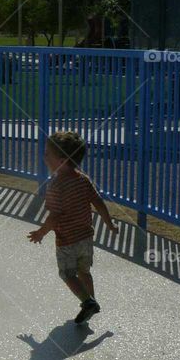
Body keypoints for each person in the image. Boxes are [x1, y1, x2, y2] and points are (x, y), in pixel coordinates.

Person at [27, 131, 118, 324]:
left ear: (61, 160)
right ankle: (91, 302)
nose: (44, 157)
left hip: (67, 240)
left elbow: (55, 216)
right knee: (84, 271)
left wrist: (41, 232)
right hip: (86, 237)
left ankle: (88, 302)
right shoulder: (83, 179)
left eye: (47, 154)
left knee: (67, 273)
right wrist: (109, 223)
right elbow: (98, 202)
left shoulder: (56, 186)